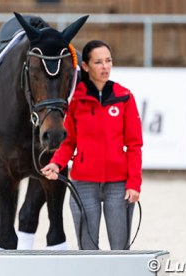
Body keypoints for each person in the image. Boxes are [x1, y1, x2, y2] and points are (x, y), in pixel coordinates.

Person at [41, 40, 143, 250]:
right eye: (98, 62)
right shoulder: (76, 100)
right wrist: (56, 164)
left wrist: (134, 183)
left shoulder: (124, 97)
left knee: (120, 249)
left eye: (108, 61)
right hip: (84, 184)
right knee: (87, 250)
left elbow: (134, 145)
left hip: (119, 185)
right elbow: (69, 141)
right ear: (86, 67)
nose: (105, 66)